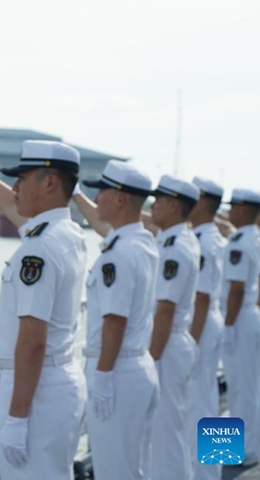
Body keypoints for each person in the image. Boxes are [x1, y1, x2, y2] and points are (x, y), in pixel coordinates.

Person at [0, 122, 87, 479]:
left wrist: (18, 416)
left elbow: (32, 342)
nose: (14, 187)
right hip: (56, 380)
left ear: (50, 183)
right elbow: (13, 206)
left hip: (36, 390)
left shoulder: (40, 247)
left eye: (22, 179)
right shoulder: (65, 232)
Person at [71, 161, 159, 480]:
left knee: (115, 470)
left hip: (117, 368)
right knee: (135, 465)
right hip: (137, 362)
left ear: (120, 198)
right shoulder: (141, 242)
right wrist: (76, 194)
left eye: (102, 191)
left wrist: (103, 375)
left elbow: (115, 320)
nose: (98, 198)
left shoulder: (119, 253)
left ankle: (231, 458)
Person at [145, 175, 201, 479]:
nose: (152, 205)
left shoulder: (178, 246)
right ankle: (217, 465)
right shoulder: (179, 239)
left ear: (174, 205)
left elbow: (171, 308)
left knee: (179, 424)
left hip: (181, 334)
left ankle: (219, 466)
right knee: (186, 417)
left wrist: (151, 361)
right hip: (186, 333)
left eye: (158, 200)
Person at [187, 177, 228, 480]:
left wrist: (190, 345)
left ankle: (205, 474)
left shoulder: (202, 241)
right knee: (209, 398)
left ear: (202, 202)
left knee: (197, 403)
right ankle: (215, 468)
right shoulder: (212, 236)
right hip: (210, 321)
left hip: (199, 323)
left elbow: (200, 299)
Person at [221, 188, 260, 464]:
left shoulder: (238, 242)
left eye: (233, 206)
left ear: (244, 210)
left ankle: (244, 451)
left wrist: (228, 326)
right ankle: (249, 446)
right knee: (249, 386)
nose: (230, 211)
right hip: (248, 315)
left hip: (238, 318)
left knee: (240, 388)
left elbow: (236, 289)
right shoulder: (253, 238)